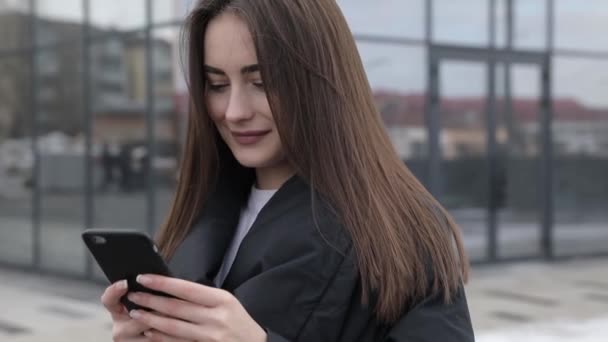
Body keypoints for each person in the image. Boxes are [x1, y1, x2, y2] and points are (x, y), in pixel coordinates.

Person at [101, 0, 474, 341]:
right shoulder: (200, 213)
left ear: (318, 81)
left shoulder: (402, 232)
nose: (234, 111)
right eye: (216, 85)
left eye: (261, 82)